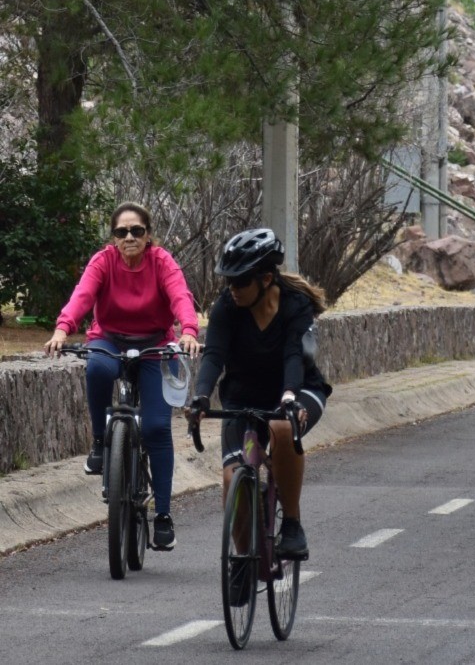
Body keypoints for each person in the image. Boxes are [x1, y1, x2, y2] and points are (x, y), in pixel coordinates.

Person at [44, 201, 201, 551]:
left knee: (157, 428)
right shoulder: (103, 262)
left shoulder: (162, 262)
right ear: (114, 237)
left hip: (155, 344)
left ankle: (163, 515)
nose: (129, 237)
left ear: (148, 235)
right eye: (121, 232)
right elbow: (82, 296)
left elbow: (180, 296)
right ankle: (100, 441)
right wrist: (62, 329)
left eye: (136, 231)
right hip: (109, 338)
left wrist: (188, 331)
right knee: (98, 368)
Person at [189, 228, 332, 566]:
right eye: (228, 281)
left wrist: (289, 396)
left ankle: (292, 523)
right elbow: (214, 355)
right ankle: (243, 562)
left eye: (240, 282)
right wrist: (201, 396)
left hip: (298, 390)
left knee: (282, 428)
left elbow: (294, 355)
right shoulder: (227, 306)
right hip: (244, 399)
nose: (232, 289)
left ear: (266, 279)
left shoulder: (295, 305)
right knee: (233, 478)